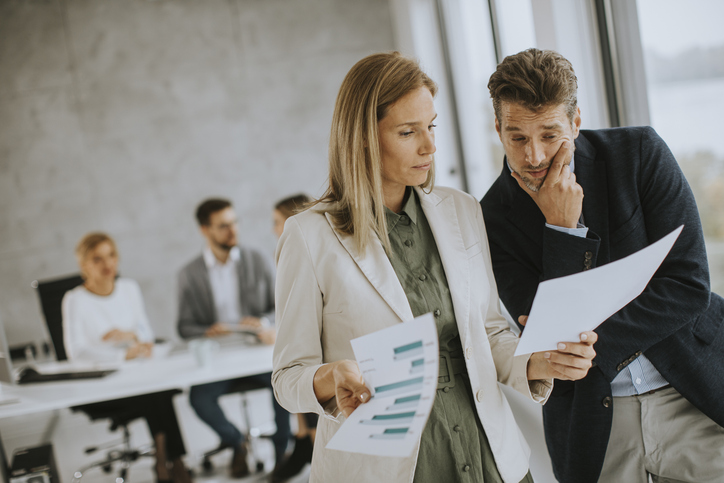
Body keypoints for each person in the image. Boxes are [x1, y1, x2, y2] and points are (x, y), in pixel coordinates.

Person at [272, 51, 597, 483]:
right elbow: (287, 378)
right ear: (364, 137)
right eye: (408, 132)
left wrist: (540, 362)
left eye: (431, 126)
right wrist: (330, 377)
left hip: (489, 455)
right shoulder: (308, 235)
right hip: (389, 467)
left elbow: (489, 331)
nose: (430, 146)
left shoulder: (461, 210)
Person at [480, 48, 724, 483]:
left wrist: (588, 343)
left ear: (575, 122)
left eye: (550, 135)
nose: (534, 155)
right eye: (517, 137)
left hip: (694, 391)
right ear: (498, 128)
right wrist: (562, 230)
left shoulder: (640, 153)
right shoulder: (491, 218)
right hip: (592, 418)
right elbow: (549, 334)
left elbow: (688, 284)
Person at [62, 232, 191, 483]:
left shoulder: (129, 288)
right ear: (84, 265)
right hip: (102, 386)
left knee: (157, 389)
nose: (107, 264)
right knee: (157, 394)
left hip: (138, 375)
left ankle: (165, 459)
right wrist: (123, 355)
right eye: (97, 259)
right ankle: (173, 461)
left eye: (111, 255)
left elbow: (146, 335)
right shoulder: (74, 300)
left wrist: (132, 336)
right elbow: (76, 352)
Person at [176, 198, 291, 478]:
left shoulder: (257, 259)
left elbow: (283, 305)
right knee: (199, 399)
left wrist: (262, 321)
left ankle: (283, 451)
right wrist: (207, 331)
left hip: (258, 351)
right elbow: (184, 327)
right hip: (219, 356)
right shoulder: (189, 274)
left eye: (234, 222)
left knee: (286, 383)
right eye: (223, 226)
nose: (233, 231)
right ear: (205, 230)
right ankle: (236, 441)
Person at [269, 194, 317, 483]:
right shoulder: (288, 250)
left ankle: (307, 441)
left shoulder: (304, 248)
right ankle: (302, 438)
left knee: (297, 365)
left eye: (277, 222)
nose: (274, 229)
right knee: (284, 370)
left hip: (318, 343)